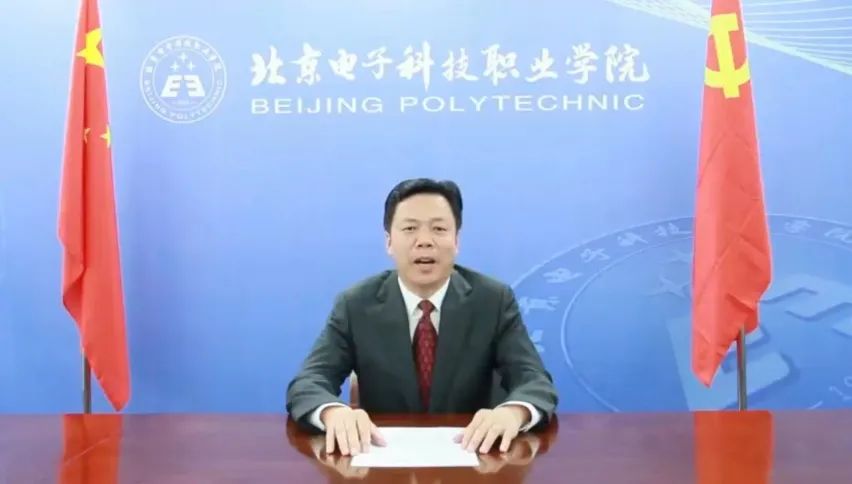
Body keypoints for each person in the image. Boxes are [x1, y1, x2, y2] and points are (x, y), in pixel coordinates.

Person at [286, 178, 557, 456]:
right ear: (389, 242)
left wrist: (513, 413)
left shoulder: (493, 301)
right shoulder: (356, 305)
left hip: (475, 459)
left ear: (456, 240)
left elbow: (534, 381)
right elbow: (309, 381)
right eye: (410, 228)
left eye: (439, 229)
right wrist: (333, 413)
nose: (425, 241)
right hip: (383, 462)